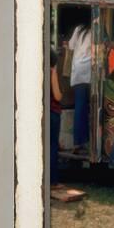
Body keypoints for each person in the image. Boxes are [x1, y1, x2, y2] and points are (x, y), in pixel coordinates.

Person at [69, 12, 92, 155]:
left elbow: (71, 46)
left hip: (77, 70)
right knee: (88, 108)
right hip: (89, 70)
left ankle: (78, 142)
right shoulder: (95, 29)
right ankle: (83, 142)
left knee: (80, 107)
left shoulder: (78, 29)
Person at [50, 48, 63, 188]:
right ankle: (53, 181)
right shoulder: (51, 72)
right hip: (53, 113)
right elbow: (57, 95)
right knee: (52, 147)